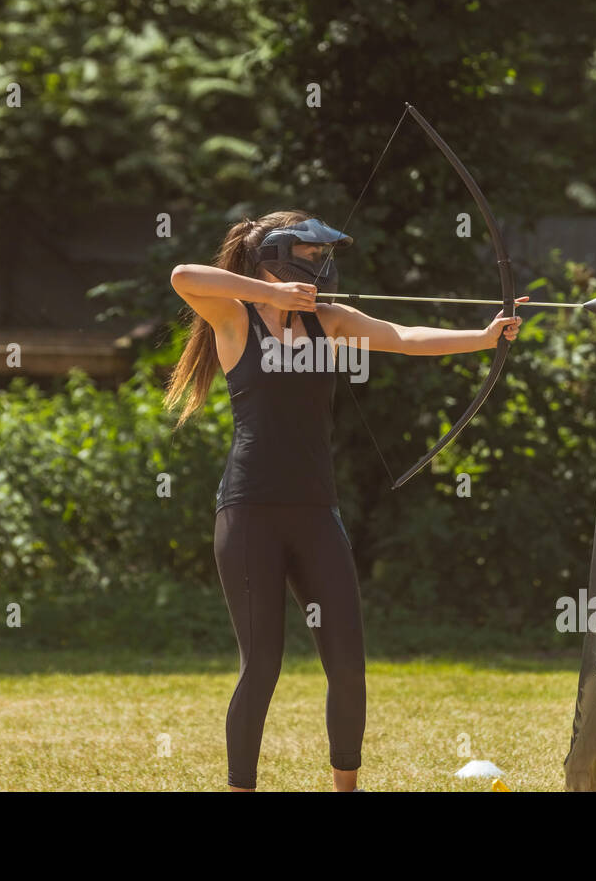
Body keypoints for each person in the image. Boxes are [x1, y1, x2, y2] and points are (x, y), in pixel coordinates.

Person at [166, 210, 524, 791]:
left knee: (348, 664)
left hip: (315, 512)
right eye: (308, 257)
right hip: (249, 509)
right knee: (262, 666)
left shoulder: (328, 323)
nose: (319, 268)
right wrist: (270, 293)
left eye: (321, 258)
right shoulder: (233, 319)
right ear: (274, 260)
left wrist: (484, 338)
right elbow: (185, 275)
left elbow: (403, 338)